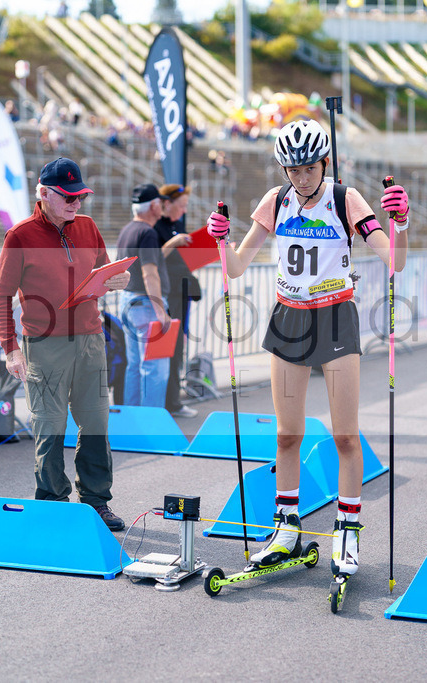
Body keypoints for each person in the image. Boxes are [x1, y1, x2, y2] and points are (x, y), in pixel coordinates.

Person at [206, 119, 409, 580]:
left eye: (307, 168)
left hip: (336, 316)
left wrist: (400, 222)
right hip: (289, 317)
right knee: (286, 435)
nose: (299, 178)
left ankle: (347, 529)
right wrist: (219, 240)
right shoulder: (275, 202)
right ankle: (287, 529)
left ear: (324, 163)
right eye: (291, 169)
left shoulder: (345, 198)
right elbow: (235, 268)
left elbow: (394, 260)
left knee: (344, 435)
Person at [0, 157, 131, 531]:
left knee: (97, 425)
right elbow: (0, 297)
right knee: (50, 427)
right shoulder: (19, 236)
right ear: (44, 194)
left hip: (89, 339)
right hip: (44, 343)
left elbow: (105, 270)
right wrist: (11, 350)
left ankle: (97, 502)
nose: (76, 203)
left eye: (80, 196)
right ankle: (53, 504)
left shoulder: (87, 226)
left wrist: (120, 278)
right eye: (68, 197)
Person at [115, 184, 189, 408]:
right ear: (154, 206)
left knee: (135, 366)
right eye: (159, 203)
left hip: (129, 302)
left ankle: (134, 422)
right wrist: (160, 312)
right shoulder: (147, 233)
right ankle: (152, 425)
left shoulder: (127, 230)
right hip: (146, 306)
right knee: (155, 369)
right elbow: (150, 273)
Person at [154, 183, 200, 418]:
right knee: (167, 349)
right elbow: (152, 259)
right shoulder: (155, 226)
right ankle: (168, 402)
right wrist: (174, 243)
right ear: (167, 203)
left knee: (177, 347)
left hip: (181, 294)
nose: (183, 211)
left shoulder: (174, 225)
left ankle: (172, 400)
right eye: (181, 206)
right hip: (166, 295)